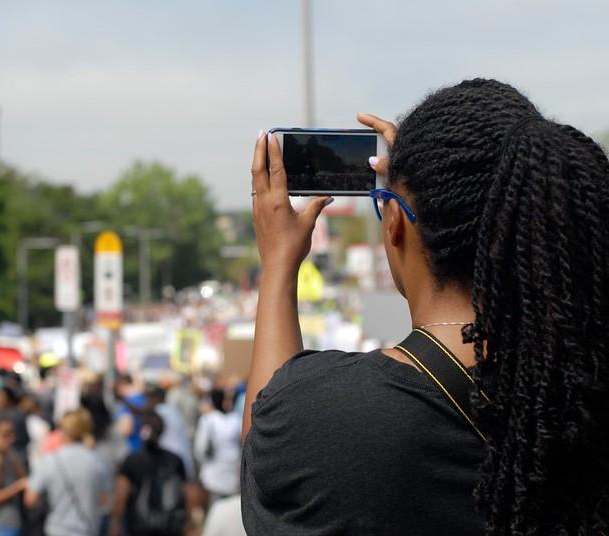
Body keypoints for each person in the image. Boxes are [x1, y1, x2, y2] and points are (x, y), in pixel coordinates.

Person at [241, 79, 609, 535]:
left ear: (395, 223)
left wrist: (278, 266)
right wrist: (413, 184)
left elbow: (263, 446)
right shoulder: (583, 385)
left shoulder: (329, 417)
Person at [25, 408, 111, 536]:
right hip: (88, 529)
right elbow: (105, 501)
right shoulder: (98, 459)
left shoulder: (50, 460)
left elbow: (30, 499)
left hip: (57, 529)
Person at [110, 411, 187, 536]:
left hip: (139, 527)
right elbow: (186, 493)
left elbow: (121, 495)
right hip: (169, 527)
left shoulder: (132, 460)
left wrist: (115, 524)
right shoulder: (175, 460)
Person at [194, 389, 241, 504]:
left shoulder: (207, 420)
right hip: (232, 468)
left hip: (213, 471)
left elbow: (200, 449)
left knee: (214, 506)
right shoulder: (237, 419)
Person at [146, 385, 194, 480]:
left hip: (170, 462)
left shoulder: (158, 411)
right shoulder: (173, 411)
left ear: (156, 398)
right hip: (183, 459)